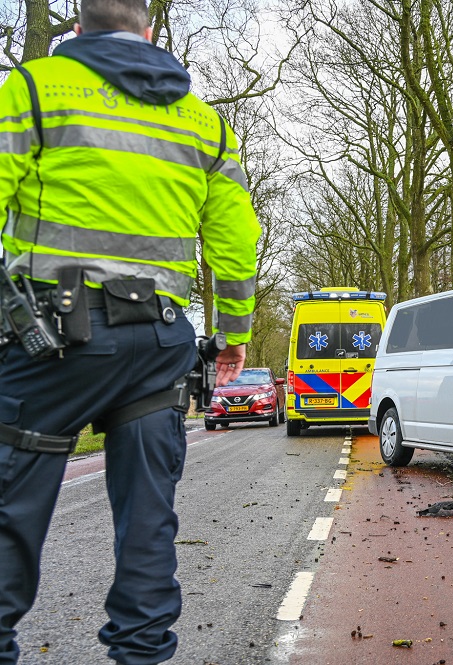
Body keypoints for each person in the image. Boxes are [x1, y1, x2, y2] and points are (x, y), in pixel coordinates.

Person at [0, 0, 260, 661]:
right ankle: (142, 652)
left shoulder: (34, 88)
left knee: (9, 515)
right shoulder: (204, 123)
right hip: (159, 343)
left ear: (77, 27)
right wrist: (234, 331)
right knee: (148, 526)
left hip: (54, 337)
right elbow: (234, 239)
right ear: (147, 32)